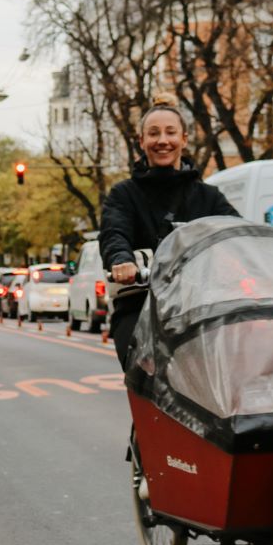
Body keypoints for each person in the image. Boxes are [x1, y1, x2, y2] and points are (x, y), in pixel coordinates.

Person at [100, 103, 238, 369]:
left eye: (170, 132)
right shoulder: (123, 194)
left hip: (200, 307)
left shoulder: (209, 197)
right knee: (144, 368)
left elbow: (236, 235)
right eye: (153, 133)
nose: (162, 140)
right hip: (140, 307)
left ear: (184, 139)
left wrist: (250, 262)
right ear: (142, 141)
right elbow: (114, 232)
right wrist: (121, 260)